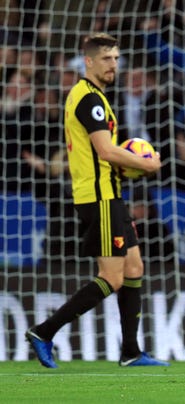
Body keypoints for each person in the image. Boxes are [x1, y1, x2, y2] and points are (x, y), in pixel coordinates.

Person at [24, 33, 167, 369]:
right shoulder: (89, 99)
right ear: (88, 61)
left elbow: (105, 154)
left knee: (134, 269)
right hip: (98, 197)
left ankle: (131, 351)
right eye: (106, 59)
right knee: (113, 276)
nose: (113, 65)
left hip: (110, 195)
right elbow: (105, 150)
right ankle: (44, 332)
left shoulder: (94, 96)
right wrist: (146, 163)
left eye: (116, 58)